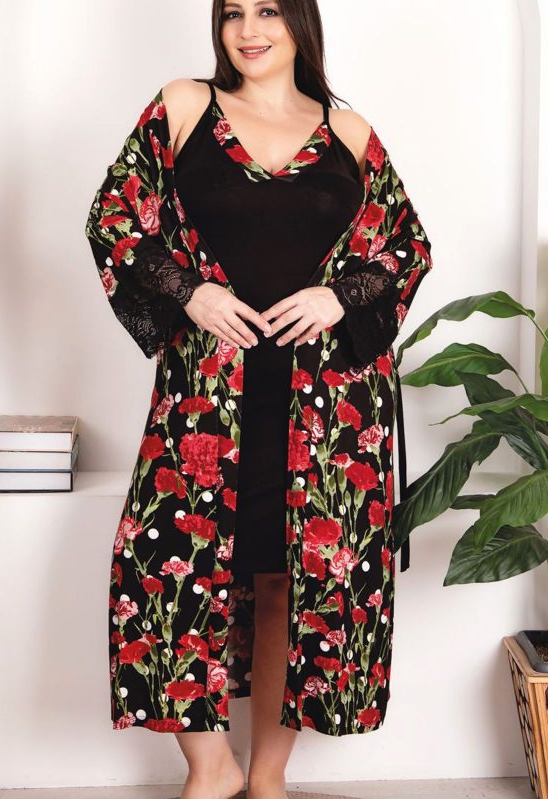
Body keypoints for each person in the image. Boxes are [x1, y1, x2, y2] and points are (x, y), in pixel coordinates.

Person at [85, 1, 433, 797]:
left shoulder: (347, 132)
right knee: (170, 569)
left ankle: (269, 776)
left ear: (298, 21)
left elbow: (405, 245)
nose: (249, 29)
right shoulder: (184, 106)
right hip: (208, 395)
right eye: (233, 12)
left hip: (326, 407)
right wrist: (192, 292)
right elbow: (114, 218)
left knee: (291, 581)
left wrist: (340, 296)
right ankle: (211, 768)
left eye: (268, 10)